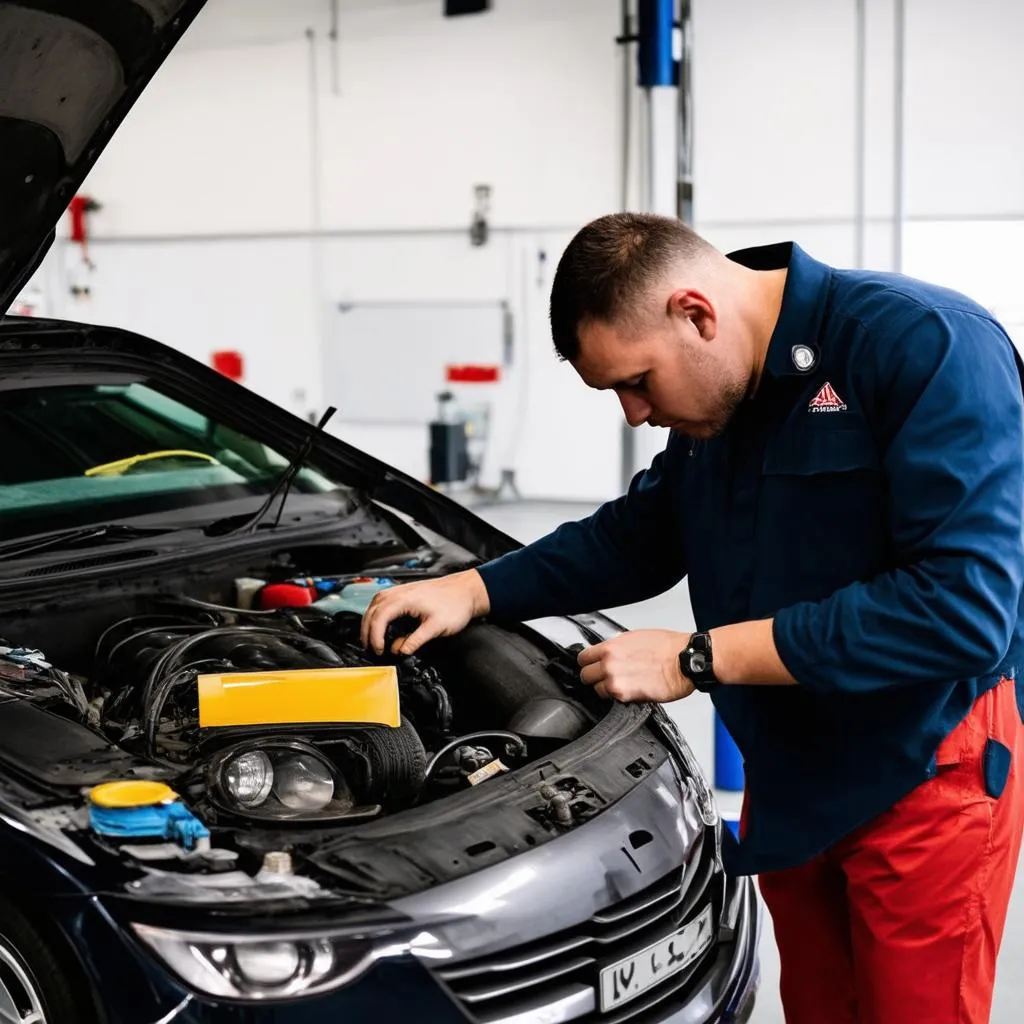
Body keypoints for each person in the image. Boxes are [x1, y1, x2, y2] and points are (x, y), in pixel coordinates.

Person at [360, 213, 1024, 1024]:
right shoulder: (721, 394)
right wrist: (477, 590)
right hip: (797, 772)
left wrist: (697, 659)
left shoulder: (926, 346)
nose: (635, 415)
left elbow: (962, 609)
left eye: (635, 381)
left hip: (924, 767)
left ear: (696, 313)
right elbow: (641, 534)